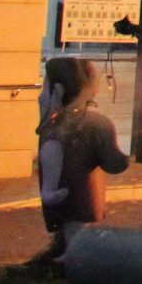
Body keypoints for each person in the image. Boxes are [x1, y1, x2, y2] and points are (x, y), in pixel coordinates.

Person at [34, 57, 129, 261]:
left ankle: (75, 253)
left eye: (46, 89)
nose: (41, 98)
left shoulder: (83, 126)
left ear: (58, 91)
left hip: (78, 200)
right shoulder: (92, 123)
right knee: (75, 227)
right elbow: (114, 163)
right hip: (79, 199)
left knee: (76, 226)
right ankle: (73, 251)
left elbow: (113, 162)